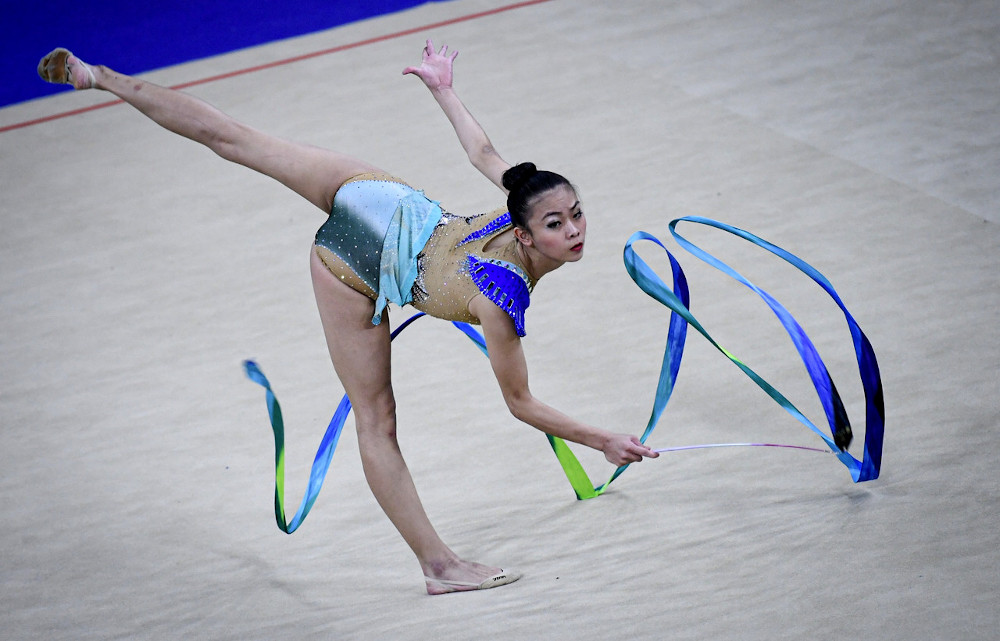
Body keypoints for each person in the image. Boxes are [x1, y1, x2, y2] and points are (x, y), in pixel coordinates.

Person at [37, 40, 658, 595]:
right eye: (555, 223)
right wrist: (601, 439)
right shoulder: (499, 298)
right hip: (354, 263)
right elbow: (519, 403)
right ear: (523, 234)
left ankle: (100, 77)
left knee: (235, 139)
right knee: (376, 420)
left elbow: (484, 152)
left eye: (576, 214)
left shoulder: (522, 197)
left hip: (384, 200)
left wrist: (443, 89)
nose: (573, 230)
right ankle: (439, 566)